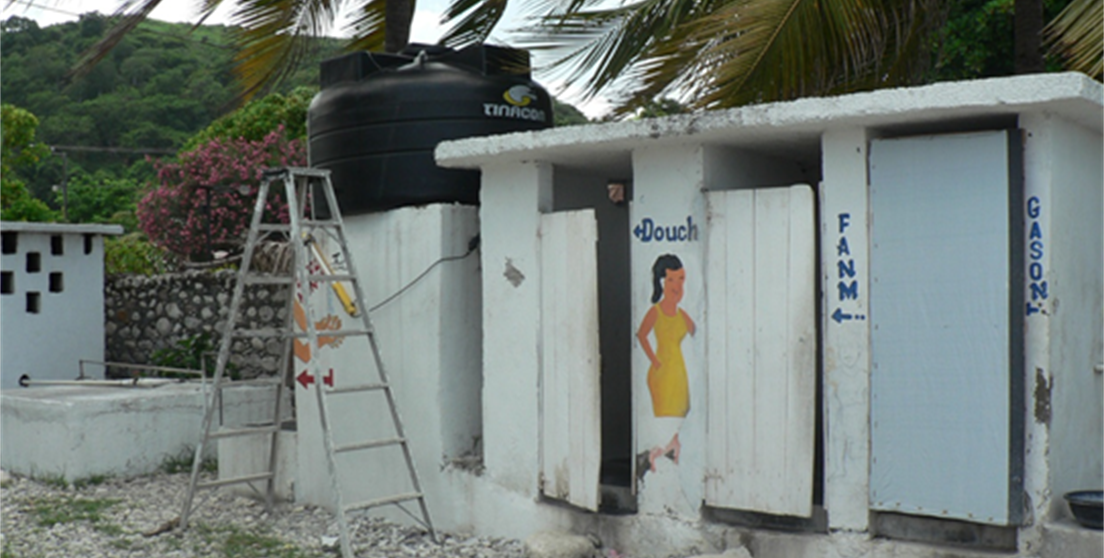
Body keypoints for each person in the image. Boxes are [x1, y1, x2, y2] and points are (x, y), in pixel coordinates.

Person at [636, 254, 696, 472]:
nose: (677, 286)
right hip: (662, 376)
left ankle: (671, 451)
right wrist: (655, 361)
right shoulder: (656, 312)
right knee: (667, 421)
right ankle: (655, 455)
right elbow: (642, 335)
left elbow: (697, 331)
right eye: (672, 280)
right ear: (662, 282)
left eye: (681, 279)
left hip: (678, 374)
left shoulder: (682, 315)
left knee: (681, 418)